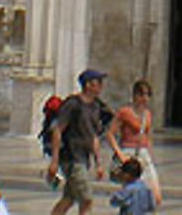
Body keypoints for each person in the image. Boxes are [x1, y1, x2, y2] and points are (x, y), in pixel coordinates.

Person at [47, 68, 107, 215]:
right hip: (71, 157)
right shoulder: (73, 104)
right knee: (86, 199)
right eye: (98, 82)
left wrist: (98, 163)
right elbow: (58, 130)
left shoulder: (96, 106)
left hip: (84, 157)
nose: (101, 86)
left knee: (69, 198)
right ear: (88, 85)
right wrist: (54, 161)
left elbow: (94, 136)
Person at [106, 80, 161, 206]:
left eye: (147, 95)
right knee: (133, 193)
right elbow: (110, 134)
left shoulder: (147, 114)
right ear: (134, 95)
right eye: (141, 94)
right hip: (128, 152)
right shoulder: (125, 112)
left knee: (155, 197)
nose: (144, 98)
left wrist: (150, 154)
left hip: (143, 153)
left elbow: (147, 135)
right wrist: (119, 153)